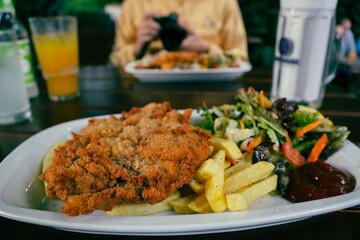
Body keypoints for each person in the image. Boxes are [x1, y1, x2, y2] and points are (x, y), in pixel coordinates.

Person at [110, 0, 248, 67]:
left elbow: (241, 59)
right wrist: (138, 48)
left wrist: (206, 48)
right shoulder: (134, 4)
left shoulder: (223, 3)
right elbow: (116, 61)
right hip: (145, 89)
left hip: (210, 88)